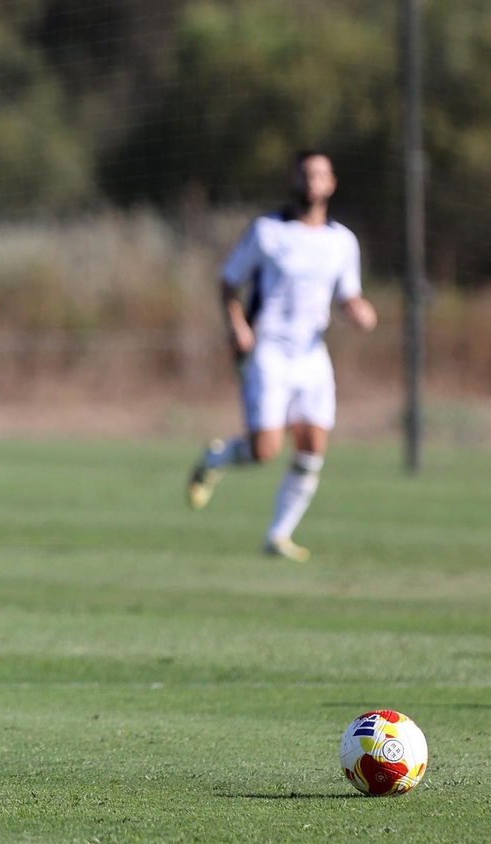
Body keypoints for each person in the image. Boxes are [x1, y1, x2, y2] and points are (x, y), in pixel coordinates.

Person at [186, 151, 378, 561]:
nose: (313, 182)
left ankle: (278, 535)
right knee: (265, 451)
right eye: (306, 174)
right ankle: (215, 458)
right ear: (294, 181)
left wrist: (358, 310)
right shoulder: (268, 231)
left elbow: (348, 293)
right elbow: (228, 282)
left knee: (312, 447)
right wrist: (237, 325)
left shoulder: (341, 241)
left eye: (321, 175)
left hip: (312, 352)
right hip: (268, 348)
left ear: (332, 184)